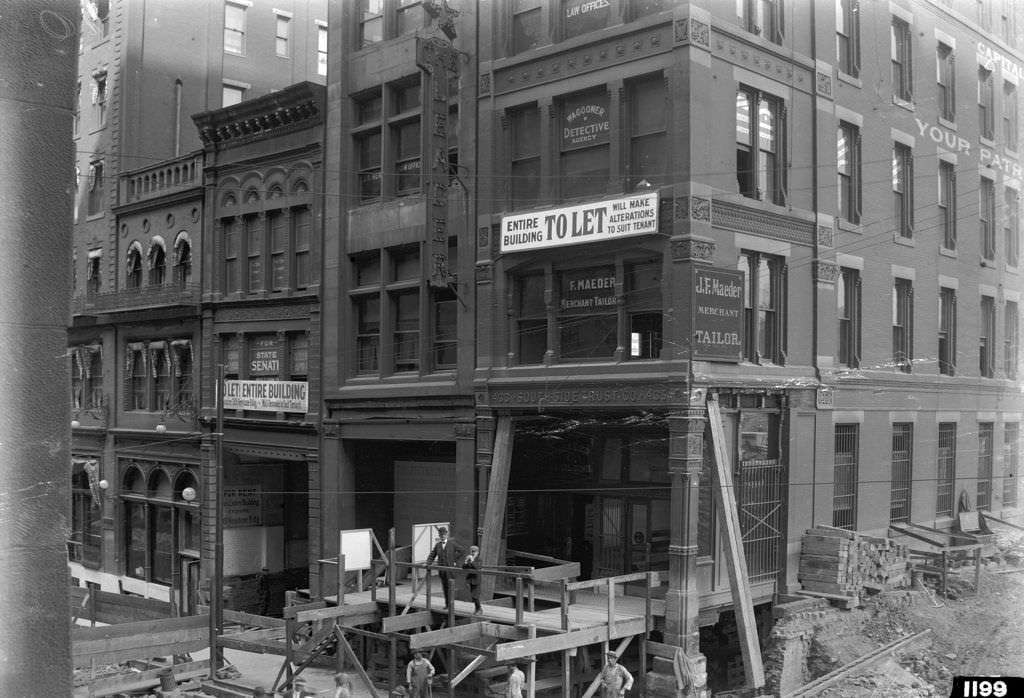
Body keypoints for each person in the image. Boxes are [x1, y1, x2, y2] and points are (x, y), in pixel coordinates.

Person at [426, 526, 461, 608]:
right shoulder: (438, 545)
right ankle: (447, 605)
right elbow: (432, 555)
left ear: (447, 535)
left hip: (450, 570)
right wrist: (428, 563)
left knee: (450, 588)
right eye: (441, 535)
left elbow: (462, 551)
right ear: (439, 535)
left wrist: (454, 559)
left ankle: (451, 605)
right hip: (442, 570)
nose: (442, 536)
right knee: (445, 588)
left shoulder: (452, 544)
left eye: (444, 535)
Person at [462, 544, 483, 614]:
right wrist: (465, 561)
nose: (472, 553)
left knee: (475, 596)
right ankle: (477, 609)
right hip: (470, 580)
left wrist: (472, 560)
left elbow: (477, 567)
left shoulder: (479, 559)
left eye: (474, 551)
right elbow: (464, 567)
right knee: (473, 596)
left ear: (477, 552)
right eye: (471, 551)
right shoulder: (470, 558)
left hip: (476, 580)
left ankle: (479, 609)